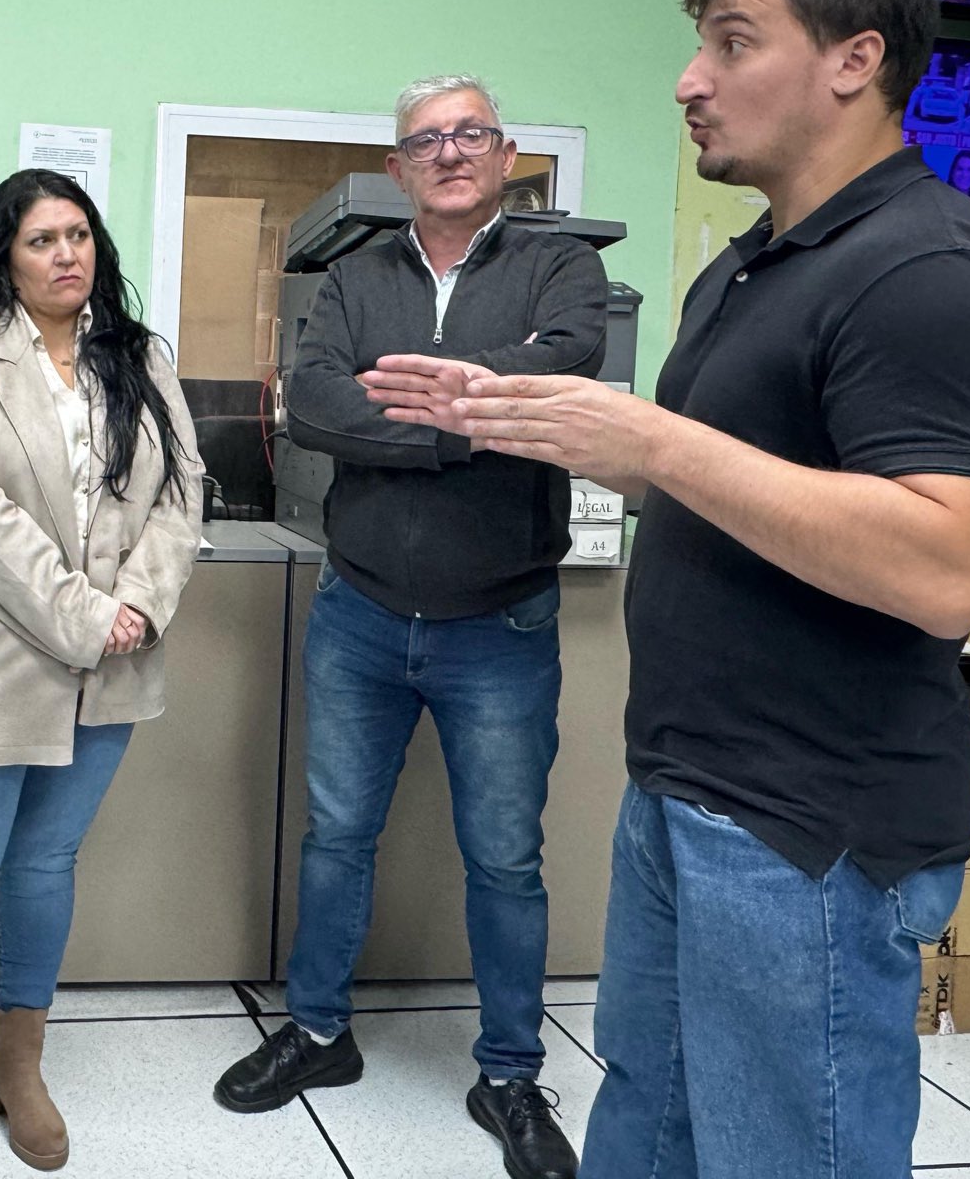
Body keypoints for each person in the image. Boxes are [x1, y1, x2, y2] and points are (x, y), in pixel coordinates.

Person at [365, 0, 970, 1178]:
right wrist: (573, 436)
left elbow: (945, 568)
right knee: (647, 1125)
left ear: (853, 59)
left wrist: (657, 441)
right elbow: (731, 490)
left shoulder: (926, 267)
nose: (688, 80)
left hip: (806, 826)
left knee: (779, 1151)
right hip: (686, 787)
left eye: (731, 45)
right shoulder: (749, 267)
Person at [213, 77, 607, 1179]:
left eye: (470, 133)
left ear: (506, 154)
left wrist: (412, 400)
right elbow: (317, 400)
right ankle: (318, 1034)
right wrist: (462, 424)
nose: (449, 152)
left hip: (502, 623)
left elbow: (565, 365)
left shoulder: (559, 268)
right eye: (425, 140)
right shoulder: (354, 275)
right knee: (335, 835)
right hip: (362, 612)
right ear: (396, 168)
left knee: (505, 859)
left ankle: (509, 1074)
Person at [0, 168, 204, 1178]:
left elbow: (181, 494)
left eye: (79, 235)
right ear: (3, 257)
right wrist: (89, 617)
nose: (67, 255)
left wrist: (138, 603)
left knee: (46, 865)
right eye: (41, 240)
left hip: (112, 663)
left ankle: (16, 1062)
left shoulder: (137, 355)